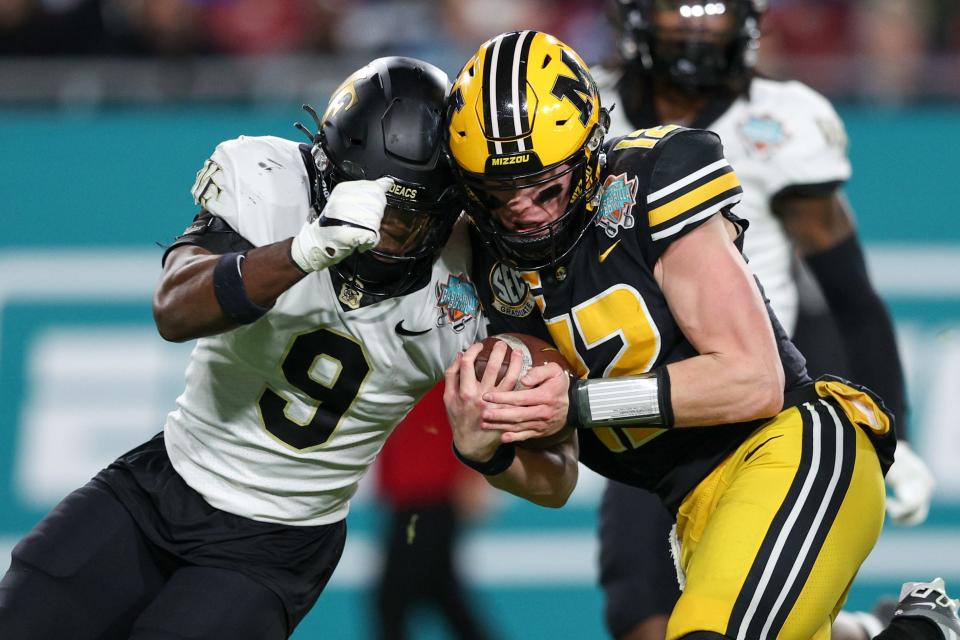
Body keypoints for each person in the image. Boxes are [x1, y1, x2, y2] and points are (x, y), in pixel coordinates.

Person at [441, 30, 958, 640]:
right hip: (695, 511)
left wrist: (579, 403)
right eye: (499, 194)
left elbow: (754, 379)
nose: (524, 209)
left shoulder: (649, 182)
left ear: (586, 160)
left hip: (792, 447)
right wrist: (486, 451)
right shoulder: (484, 267)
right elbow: (557, 480)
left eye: (545, 187)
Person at [0, 56, 485, 640]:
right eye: (371, 206)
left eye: (407, 218)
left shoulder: (469, 279)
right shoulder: (271, 179)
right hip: (166, 480)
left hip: (276, 542)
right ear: (329, 175)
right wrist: (301, 252)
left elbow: (549, 462)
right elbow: (174, 308)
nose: (381, 234)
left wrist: (501, 449)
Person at [593, 1, 937, 638]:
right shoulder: (583, 110)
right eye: (680, 7)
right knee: (644, 619)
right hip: (636, 416)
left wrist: (901, 428)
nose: (698, 26)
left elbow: (850, 296)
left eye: (714, 9)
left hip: (748, 410)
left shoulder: (778, 121)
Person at [373, 382, 495, 640]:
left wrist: (474, 475)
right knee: (442, 593)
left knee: (393, 598)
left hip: (431, 495)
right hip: (412, 496)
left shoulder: (446, 362)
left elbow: (473, 414)